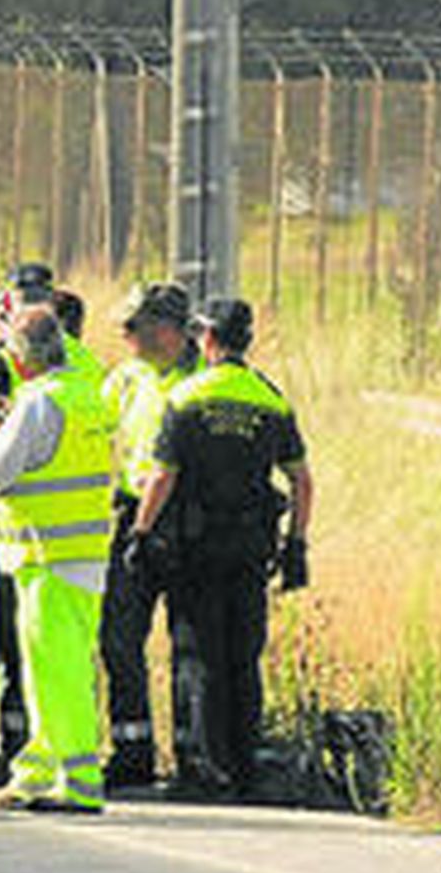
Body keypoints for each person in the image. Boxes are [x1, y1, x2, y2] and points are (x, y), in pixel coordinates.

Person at [126, 298, 313, 798]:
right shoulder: (269, 398)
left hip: (197, 546)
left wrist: (140, 533)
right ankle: (245, 766)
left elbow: (163, 476)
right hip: (252, 546)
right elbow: (302, 480)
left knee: (200, 654)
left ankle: (208, 770)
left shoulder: (187, 396)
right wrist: (297, 545)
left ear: (207, 338)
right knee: (244, 655)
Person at [0, 305, 115, 812]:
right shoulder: (86, 393)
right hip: (82, 549)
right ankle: (37, 770)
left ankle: (79, 780)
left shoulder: (38, 403)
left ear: (22, 359)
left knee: (56, 670)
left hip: (47, 551)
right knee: (54, 665)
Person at [99, 281, 201, 789]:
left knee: (189, 643)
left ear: (167, 330)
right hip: (132, 516)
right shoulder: (126, 377)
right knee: (118, 635)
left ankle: (191, 756)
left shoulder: (204, 379)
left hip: (188, 521)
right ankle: (132, 750)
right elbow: (94, 427)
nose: (125, 335)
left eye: (133, 326)